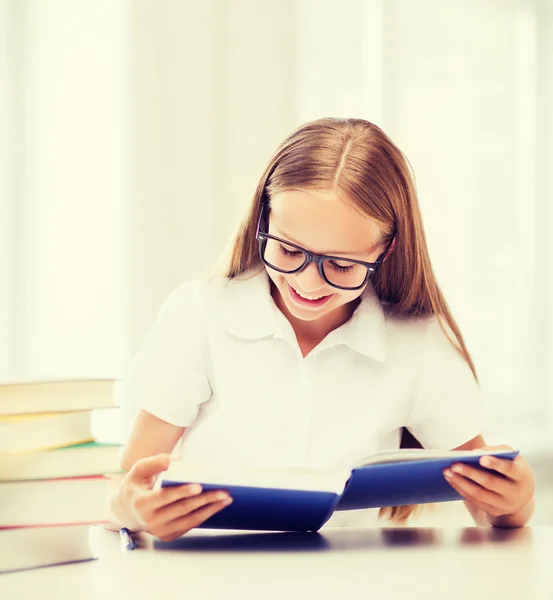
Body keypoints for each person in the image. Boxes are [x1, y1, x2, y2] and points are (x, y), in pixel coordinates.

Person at [109, 117, 535, 542]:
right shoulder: (200, 315)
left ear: (386, 249)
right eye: (289, 249)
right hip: (209, 575)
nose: (308, 283)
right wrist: (133, 509)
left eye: (342, 264)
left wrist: (515, 502)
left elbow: (488, 505)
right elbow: (125, 488)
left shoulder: (417, 342)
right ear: (264, 219)